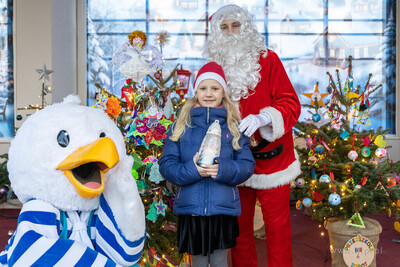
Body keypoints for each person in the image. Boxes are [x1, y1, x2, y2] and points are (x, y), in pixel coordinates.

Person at [205, 5, 301, 267]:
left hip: (273, 159)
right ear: (216, 33)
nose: (231, 32)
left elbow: (291, 103)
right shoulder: (213, 68)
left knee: (277, 228)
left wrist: (264, 118)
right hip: (234, 158)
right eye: (224, 27)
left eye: (236, 26)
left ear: (246, 27)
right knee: (239, 229)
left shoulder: (268, 59)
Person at [159, 62, 255, 267]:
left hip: (221, 209)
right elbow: (167, 165)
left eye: (215, 88)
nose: (209, 93)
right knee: (199, 262)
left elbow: (247, 165)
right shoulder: (181, 126)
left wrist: (223, 169)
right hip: (192, 209)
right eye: (203, 88)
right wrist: (192, 169)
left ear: (223, 92)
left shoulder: (234, 126)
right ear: (196, 91)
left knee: (220, 261)